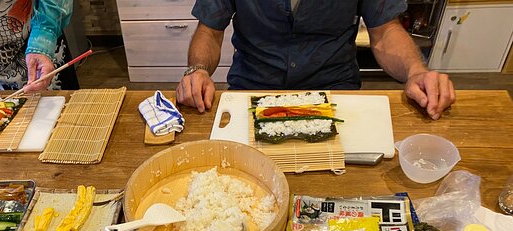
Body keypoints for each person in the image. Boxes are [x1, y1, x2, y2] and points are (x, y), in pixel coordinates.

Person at [176, 0, 455, 120]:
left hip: (334, 89)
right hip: (253, 87)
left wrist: (416, 71)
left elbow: (384, 32)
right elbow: (209, 30)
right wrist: (198, 70)